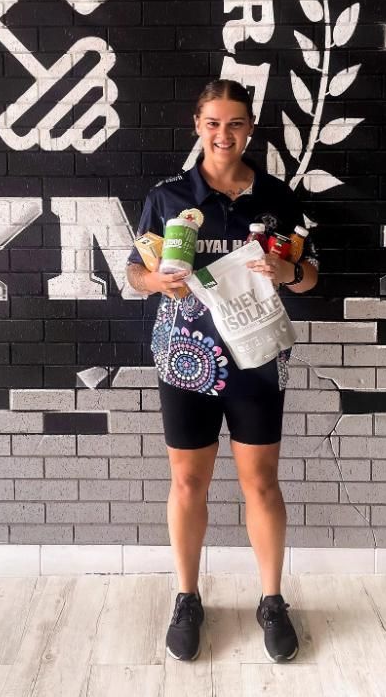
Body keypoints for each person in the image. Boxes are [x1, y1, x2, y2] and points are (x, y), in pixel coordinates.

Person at [126, 79, 319, 663]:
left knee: (261, 482)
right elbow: (135, 272)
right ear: (197, 125)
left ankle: (272, 599)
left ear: (250, 128)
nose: (223, 134)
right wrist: (154, 281)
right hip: (184, 357)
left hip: (257, 358)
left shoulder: (277, 198)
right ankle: (187, 598)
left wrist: (289, 275)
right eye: (213, 122)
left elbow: (309, 273)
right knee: (188, 483)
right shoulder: (167, 198)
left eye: (234, 123)